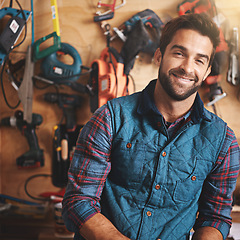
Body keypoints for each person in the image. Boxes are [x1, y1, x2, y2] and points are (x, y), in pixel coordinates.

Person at [62, 13, 240, 240]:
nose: (187, 67)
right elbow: (79, 202)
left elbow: (215, 217)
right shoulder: (110, 118)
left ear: (206, 72)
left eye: (199, 60)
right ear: (159, 56)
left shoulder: (223, 141)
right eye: (179, 53)